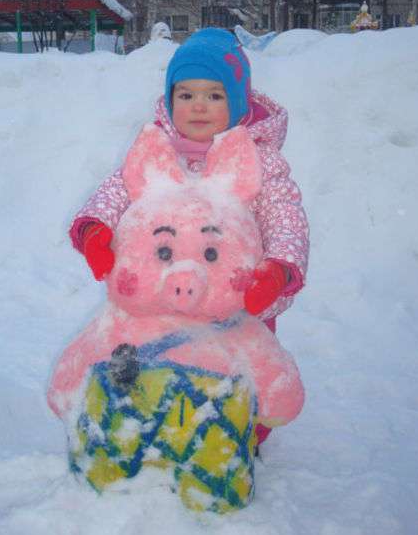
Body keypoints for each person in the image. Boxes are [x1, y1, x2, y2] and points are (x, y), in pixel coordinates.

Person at [69, 27, 309, 442]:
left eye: (214, 95)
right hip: (164, 293)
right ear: (171, 98)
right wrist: (96, 230)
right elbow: (118, 189)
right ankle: (158, 424)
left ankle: (239, 435)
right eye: (186, 94)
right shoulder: (159, 149)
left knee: (242, 366)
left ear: (237, 100)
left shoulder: (261, 162)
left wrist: (277, 272)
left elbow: (286, 219)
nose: (199, 106)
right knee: (157, 358)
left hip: (236, 297)